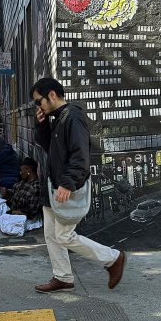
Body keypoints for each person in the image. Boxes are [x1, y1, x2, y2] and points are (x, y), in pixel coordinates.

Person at [31, 77, 126, 292]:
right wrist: (42, 124)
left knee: (64, 235)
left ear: (52, 95)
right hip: (52, 187)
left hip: (63, 187)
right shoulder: (57, 118)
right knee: (51, 235)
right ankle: (63, 277)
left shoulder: (72, 117)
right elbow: (50, 148)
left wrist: (67, 184)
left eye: (39, 101)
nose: (39, 106)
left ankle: (113, 258)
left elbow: (81, 155)